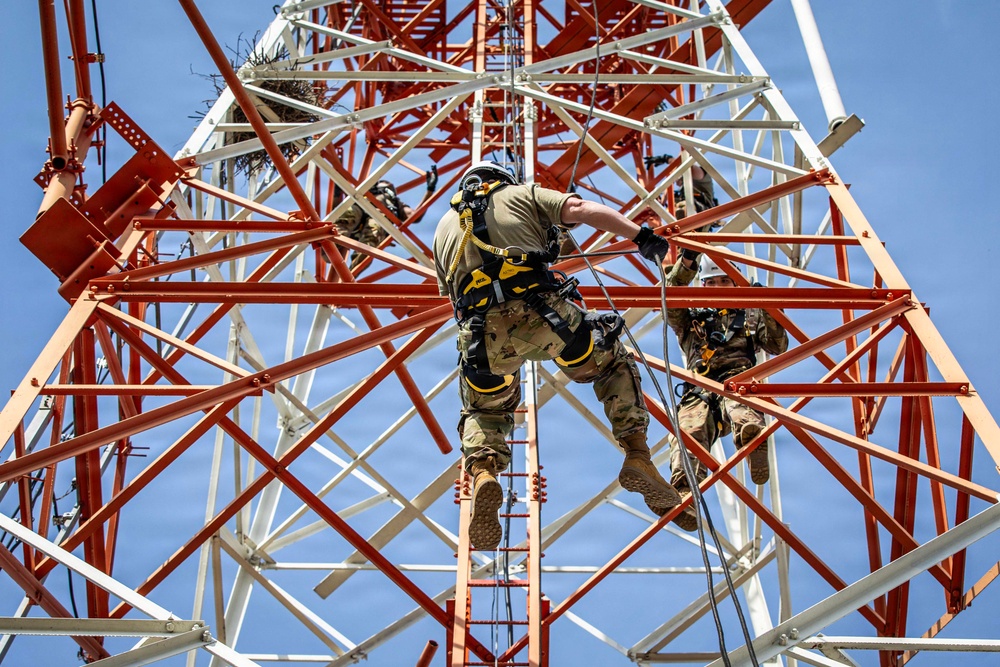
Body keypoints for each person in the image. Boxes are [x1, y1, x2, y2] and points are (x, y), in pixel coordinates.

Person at [432, 160, 680, 550]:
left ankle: (483, 474)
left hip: (483, 337)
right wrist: (640, 237)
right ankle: (637, 453)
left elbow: (450, 294)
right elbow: (579, 211)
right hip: (547, 318)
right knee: (610, 362)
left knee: (485, 409)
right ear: (503, 181)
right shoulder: (522, 193)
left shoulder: (444, 228)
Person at [660, 251, 788, 531]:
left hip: (737, 375)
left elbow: (777, 346)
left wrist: (766, 305)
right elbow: (668, 299)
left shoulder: (749, 313)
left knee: (739, 402)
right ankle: (685, 494)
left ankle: (751, 437)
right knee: (687, 433)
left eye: (724, 281)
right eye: (712, 282)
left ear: (736, 285)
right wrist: (686, 265)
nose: (718, 287)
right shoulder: (690, 314)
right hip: (699, 386)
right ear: (702, 286)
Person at [335, 166, 438, 271]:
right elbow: (338, 208)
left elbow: (414, 216)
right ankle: (331, 247)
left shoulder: (394, 203)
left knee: (374, 232)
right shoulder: (362, 192)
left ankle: (352, 272)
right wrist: (337, 185)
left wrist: (429, 191)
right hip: (359, 209)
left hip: (378, 218)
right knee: (348, 213)